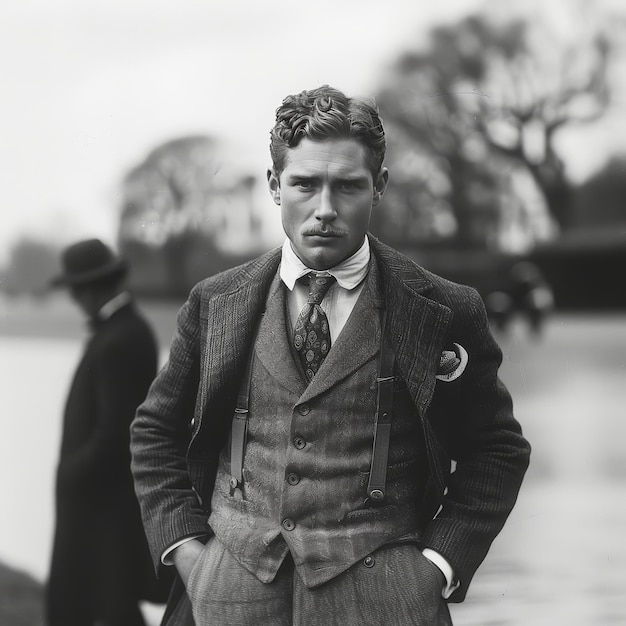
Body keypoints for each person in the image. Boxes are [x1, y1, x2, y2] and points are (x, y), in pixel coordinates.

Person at [130, 86, 531, 626]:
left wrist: (437, 565)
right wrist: (187, 553)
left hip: (387, 606)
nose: (324, 210)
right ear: (275, 186)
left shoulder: (444, 310)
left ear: (379, 187)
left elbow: (497, 450)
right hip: (227, 601)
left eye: (347, 186)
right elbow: (154, 432)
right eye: (304, 184)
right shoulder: (215, 303)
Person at [46, 239, 168, 626]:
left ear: (91, 288)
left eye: (75, 290)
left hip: (101, 506)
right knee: (106, 603)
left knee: (104, 605)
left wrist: (70, 472)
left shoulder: (121, 338)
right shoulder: (123, 331)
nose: (74, 299)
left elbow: (117, 434)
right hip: (100, 502)